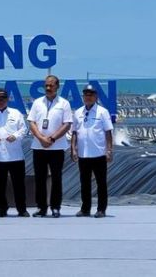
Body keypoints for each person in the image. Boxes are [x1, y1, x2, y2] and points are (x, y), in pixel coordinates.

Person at [27, 75, 73, 218]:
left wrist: (52, 138)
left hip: (57, 147)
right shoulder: (37, 103)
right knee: (39, 179)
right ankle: (41, 207)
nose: (48, 88)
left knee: (56, 178)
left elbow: (67, 124)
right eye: (46, 85)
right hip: (39, 146)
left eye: (51, 85)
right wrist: (41, 138)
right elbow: (32, 122)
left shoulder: (64, 103)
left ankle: (55, 207)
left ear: (57, 86)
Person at [0, 87, 29, 217]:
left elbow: (23, 129)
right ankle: (2, 209)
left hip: (15, 156)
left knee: (19, 185)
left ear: (7, 99)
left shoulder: (16, 113)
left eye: (3, 98)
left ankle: (22, 209)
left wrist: (16, 136)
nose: (1, 101)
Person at [71, 84, 114, 218]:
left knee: (101, 183)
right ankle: (85, 208)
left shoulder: (102, 112)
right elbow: (74, 132)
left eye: (91, 95)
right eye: (86, 95)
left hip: (99, 154)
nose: (88, 97)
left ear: (96, 97)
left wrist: (109, 150)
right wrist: (73, 148)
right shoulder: (78, 112)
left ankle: (101, 209)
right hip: (83, 154)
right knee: (84, 183)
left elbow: (108, 132)